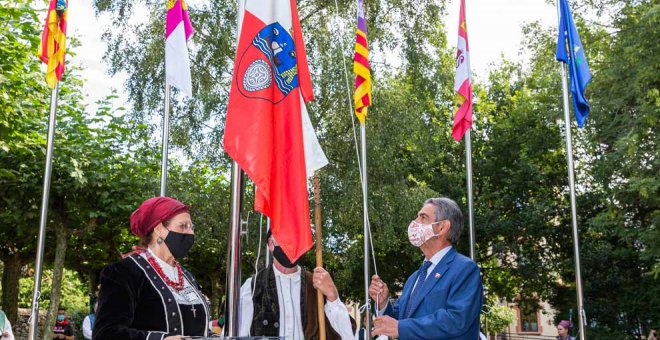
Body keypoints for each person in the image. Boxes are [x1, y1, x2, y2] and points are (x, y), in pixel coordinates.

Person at [93, 196, 211, 339]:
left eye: (191, 227)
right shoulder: (123, 272)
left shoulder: (187, 276)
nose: (190, 233)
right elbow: (105, 334)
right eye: (183, 226)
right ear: (159, 229)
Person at [369, 197, 483, 339]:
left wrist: (400, 327)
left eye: (423, 217)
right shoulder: (414, 278)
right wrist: (383, 303)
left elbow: (456, 320)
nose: (414, 223)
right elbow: (399, 321)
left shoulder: (465, 269)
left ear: (442, 227)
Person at [238, 231, 354, 339]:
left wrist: (333, 297)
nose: (291, 243)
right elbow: (237, 333)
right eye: (285, 237)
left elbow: (347, 335)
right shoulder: (253, 287)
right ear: (271, 243)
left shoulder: (317, 285)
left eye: (296, 238)